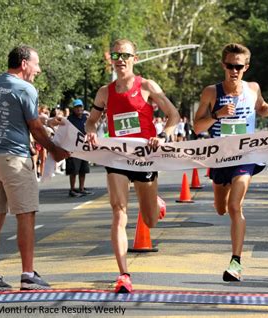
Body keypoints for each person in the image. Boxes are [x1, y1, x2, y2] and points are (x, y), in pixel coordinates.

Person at [85, 39, 180, 293]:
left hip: (145, 157)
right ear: (111, 60)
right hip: (117, 157)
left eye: (125, 55)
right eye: (116, 55)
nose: (120, 59)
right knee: (118, 211)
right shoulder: (104, 92)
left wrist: (163, 136)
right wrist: (92, 131)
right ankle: (123, 274)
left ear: (134, 59)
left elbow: (174, 115)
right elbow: (91, 121)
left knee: (149, 221)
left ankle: (155, 202)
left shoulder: (147, 86)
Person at [0, 45, 69, 292]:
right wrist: (55, 150)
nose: (38, 70)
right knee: (26, 215)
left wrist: (47, 120)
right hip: (14, 160)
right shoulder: (25, 88)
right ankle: (28, 274)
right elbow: (35, 129)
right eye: (36, 64)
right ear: (23, 64)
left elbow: (16, 117)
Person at [193, 43, 268, 282]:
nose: (234, 70)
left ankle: (236, 263)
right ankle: (224, 187)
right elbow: (197, 126)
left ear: (246, 67)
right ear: (223, 65)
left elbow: (260, 107)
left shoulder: (253, 88)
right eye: (230, 65)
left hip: (246, 156)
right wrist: (217, 115)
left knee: (234, 206)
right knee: (220, 209)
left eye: (238, 67)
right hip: (220, 157)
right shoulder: (211, 92)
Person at [66, 99, 93, 197]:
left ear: (82, 108)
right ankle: (72, 189)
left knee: (83, 169)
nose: (79, 109)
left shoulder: (86, 118)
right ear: (73, 108)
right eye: (77, 107)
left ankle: (81, 188)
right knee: (73, 170)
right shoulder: (69, 119)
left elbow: (92, 128)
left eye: (80, 107)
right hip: (73, 147)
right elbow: (65, 133)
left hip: (84, 148)